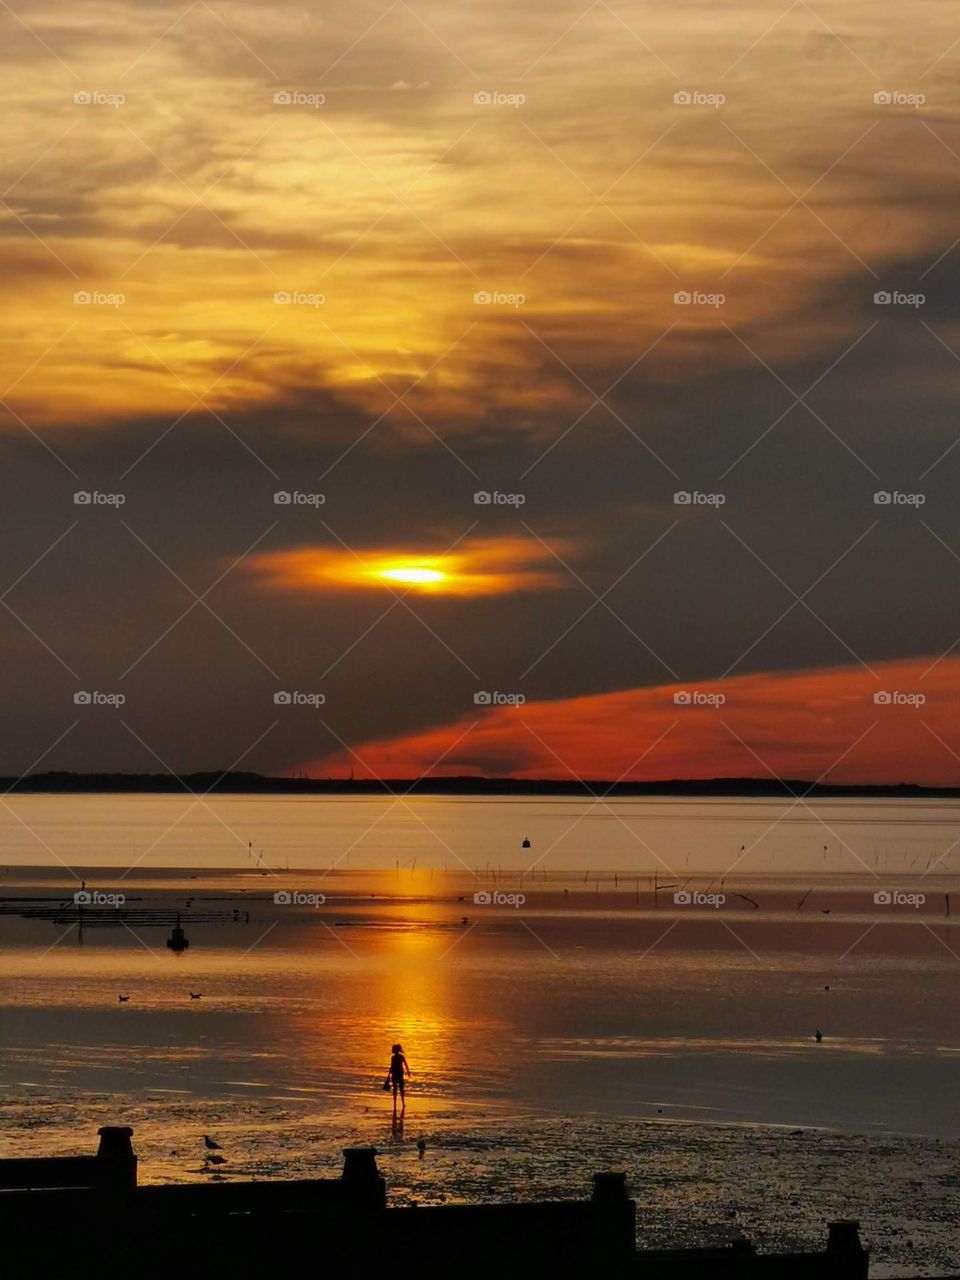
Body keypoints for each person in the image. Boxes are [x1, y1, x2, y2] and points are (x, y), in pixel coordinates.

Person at [389, 1043, 411, 1112]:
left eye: (393, 1049)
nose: (392, 1050)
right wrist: (408, 1072)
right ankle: (403, 1103)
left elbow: (392, 1066)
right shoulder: (401, 1056)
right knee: (401, 1089)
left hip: (395, 1074)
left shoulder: (393, 1057)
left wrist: (389, 1074)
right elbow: (406, 1064)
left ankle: (395, 1104)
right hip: (399, 1074)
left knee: (395, 1089)